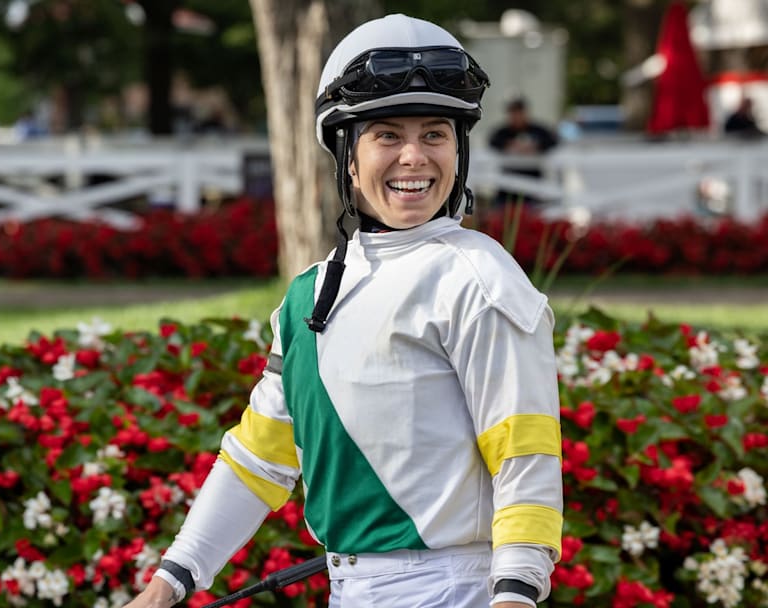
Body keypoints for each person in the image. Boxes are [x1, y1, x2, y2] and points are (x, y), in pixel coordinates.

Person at [123, 14, 563, 608]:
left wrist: (516, 593)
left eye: (435, 134)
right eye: (387, 135)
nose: (414, 156)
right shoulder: (307, 294)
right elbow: (259, 459)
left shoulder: (479, 277)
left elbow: (524, 452)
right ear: (347, 156)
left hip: (457, 591)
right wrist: (169, 582)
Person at [488, 97, 558, 206]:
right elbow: (493, 141)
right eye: (513, 113)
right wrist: (510, 144)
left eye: (519, 113)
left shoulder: (537, 130)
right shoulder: (504, 132)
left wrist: (535, 146)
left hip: (533, 186)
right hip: (507, 189)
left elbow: (552, 140)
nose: (516, 117)